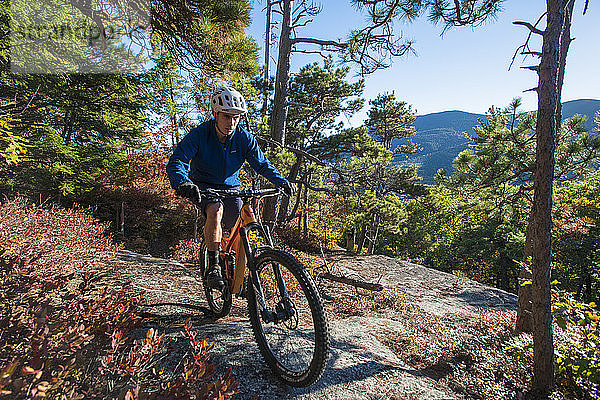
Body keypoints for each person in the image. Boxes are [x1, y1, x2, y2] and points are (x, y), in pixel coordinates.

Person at [166, 86, 293, 289]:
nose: (231, 122)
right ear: (215, 113)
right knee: (215, 210)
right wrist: (182, 182)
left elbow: (261, 164)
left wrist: (280, 181)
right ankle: (214, 266)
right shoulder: (199, 135)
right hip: (204, 187)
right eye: (226, 116)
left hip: (231, 188)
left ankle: (240, 266)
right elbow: (178, 161)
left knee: (245, 220)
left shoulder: (244, 138)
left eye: (236, 117)